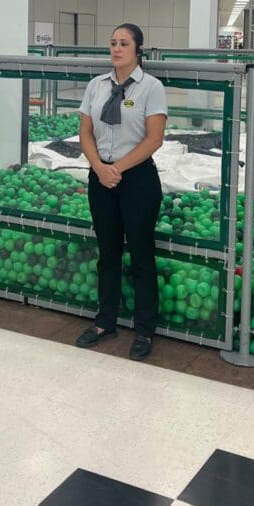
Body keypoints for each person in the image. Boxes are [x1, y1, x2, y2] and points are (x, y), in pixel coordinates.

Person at [75, 24, 167, 361]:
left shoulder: (151, 87)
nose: (116, 49)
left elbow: (154, 139)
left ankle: (144, 328)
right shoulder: (96, 85)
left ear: (138, 50)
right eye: (113, 43)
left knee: (141, 255)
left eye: (124, 43)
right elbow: (85, 133)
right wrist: (100, 167)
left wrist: (117, 169)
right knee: (108, 253)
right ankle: (105, 322)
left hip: (137, 179)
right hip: (101, 178)